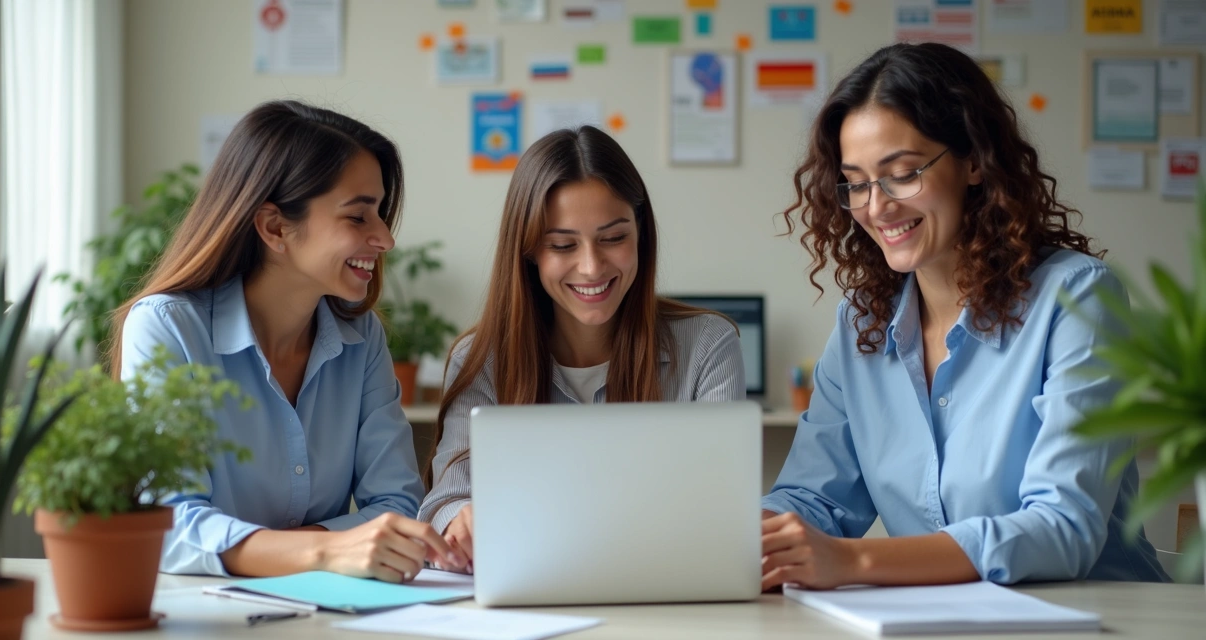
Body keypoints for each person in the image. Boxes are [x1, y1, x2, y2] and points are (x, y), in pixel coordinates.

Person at [761, 43, 1169, 590]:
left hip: (1098, 618)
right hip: (938, 620)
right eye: (856, 183)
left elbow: (1062, 527)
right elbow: (814, 500)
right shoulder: (861, 323)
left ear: (974, 161)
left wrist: (853, 562)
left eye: (902, 173)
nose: (876, 207)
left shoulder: (1077, 299)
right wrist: (735, 538)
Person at [114, 100, 456, 580]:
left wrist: (281, 552)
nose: (385, 238)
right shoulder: (168, 327)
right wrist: (325, 551)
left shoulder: (362, 338)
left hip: (327, 608)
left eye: (380, 213)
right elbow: (169, 525)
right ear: (275, 227)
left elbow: (396, 504)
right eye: (358, 217)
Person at [418, 126, 746, 572]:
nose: (591, 267)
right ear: (529, 251)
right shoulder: (482, 358)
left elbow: (721, 509)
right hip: (528, 588)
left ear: (641, 233)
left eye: (613, 238)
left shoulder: (708, 345)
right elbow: (444, 502)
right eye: (562, 245)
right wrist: (461, 519)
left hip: (663, 588)